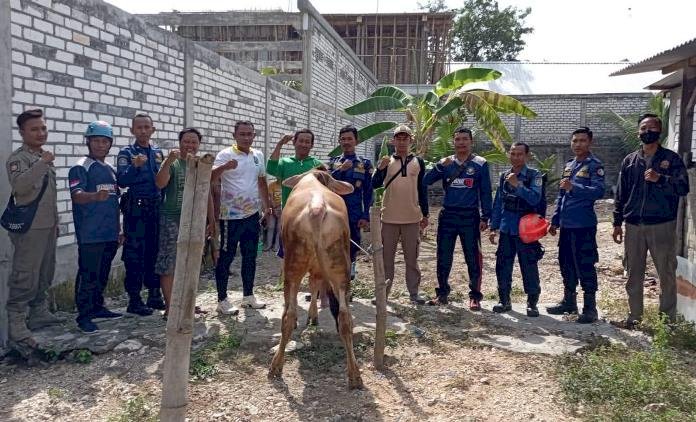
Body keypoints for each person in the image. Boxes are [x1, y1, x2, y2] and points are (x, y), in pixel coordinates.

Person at [612, 114, 689, 327]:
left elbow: (683, 187)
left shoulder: (671, 160)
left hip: (662, 225)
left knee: (666, 274)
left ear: (660, 131)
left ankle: (667, 322)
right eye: (644, 128)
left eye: (653, 128)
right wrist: (617, 222)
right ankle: (634, 317)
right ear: (638, 132)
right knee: (633, 274)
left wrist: (661, 179)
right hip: (634, 225)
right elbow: (621, 193)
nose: (648, 131)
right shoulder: (630, 161)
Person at [5, 109, 63, 347]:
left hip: (47, 226)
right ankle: (17, 322)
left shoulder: (42, 156)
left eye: (43, 128)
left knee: (45, 271)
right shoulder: (19, 159)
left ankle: (39, 312)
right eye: (34, 129)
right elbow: (20, 187)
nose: (41, 133)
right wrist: (42, 163)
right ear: (22, 132)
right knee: (25, 273)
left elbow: (49, 194)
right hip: (29, 228)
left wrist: (56, 221)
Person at [423, 127, 492, 310]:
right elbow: (425, 181)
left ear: (471, 142)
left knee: (473, 257)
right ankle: (442, 293)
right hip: (448, 215)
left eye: (464, 139)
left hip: (470, 217)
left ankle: (475, 296)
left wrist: (485, 216)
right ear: (453, 142)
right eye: (458, 139)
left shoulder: (480, 163)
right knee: (443, 256)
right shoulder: (446, 163)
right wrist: (439, 166)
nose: (461, 142)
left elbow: (485, 192)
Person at [154, 128, 215, 317]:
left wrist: (211, 220)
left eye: (194, 142)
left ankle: (188, 304)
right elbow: (160, 183)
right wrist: (167, 162)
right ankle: (171, 307)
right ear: (180, 142)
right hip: (172, 218)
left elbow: (207, 194)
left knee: (192, 263)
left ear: (199, 144)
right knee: (170, 263)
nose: (190, 145)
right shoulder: (173, 163)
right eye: (186, 141)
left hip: (195, 220)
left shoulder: (200, 165)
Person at [212, 121, 271, 315]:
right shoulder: (225, 155)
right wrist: (225, 167)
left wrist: (267, 206)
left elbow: (262, 181)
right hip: (230, 216)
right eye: (242, 134)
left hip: (252, 215)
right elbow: (211, 177)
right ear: (234, 135)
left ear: (254, 135)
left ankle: (248, 297)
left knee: (250, 256)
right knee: (226, 257)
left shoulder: (258, 155)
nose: (246, 137)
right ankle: (222, 300)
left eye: (250, 134)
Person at [69, 121, 123, 333]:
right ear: (88, 142)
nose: (100, 145)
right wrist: (94, 196)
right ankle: (84, 316)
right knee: (88, 274)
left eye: (105, 141)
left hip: (109, 232)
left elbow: (115, 202)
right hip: (90, 233)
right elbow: (76, 195)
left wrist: (118, 229)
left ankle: (98, 307)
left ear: (110, 144)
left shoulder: (110, 169)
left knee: (102, 273)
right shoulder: (81, 166)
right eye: (96, 141)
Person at [547, 127, 605, 323]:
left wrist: (574, 186)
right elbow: (561, 196)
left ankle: (590, 308)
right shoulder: (570, 165)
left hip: (583, 225)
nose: (578, 144)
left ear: (590, 143)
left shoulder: (594, 165)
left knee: (585, 264)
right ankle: (569, 302)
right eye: (575, 141)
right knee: (566, 263)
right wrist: (555, 220)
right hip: (567, 225)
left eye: (582, 140)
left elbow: (598, 191)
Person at [372, 124, 429, 305]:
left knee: (411, 259)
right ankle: (383, 294)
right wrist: (380, 169)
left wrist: (425, 214)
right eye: (399, 138)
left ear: (411, 140)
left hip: (412, 218)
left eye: (406, 138)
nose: (402, 142)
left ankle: (413, 293)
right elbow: (374, 185)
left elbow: (422, 189)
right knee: (386, 259)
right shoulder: (386, 161)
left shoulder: (418, 162)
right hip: (388, 218)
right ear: (393, 141)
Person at [117, 113, 165, 316]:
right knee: (135, 254)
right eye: (139, 128)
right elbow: (122, 181)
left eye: (147, 127)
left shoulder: (158, 153)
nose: (143, 131)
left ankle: (154, 295)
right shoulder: (126, 153)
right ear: (132, 131)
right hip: (136, 210)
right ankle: (134, 299)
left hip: (156, 208)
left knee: (155, 251)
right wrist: (134, 167)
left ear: (153, 130)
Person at [489, 142, 544, 317]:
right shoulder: (505, 175)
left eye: (519, 154)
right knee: (503, 265)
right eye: (512, 154)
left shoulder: (534, 175)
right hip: (507, 227)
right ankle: (504, 300)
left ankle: (532, 303)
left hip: (526, 229)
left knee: (528, 265)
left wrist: (518, 185)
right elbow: (498, 202)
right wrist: (494, 226)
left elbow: (535, 198)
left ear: (527, 156)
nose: (515, 157)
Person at [327, 125, 374, 280]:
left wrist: (365, 215)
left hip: (353, 213)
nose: (346, 142)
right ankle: (328, 285)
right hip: (333, 213)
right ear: (339, 141)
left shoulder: (364, 164)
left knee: (352, 246)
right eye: (343, 139)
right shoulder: (333, 163)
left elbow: (368, 192)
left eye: (349, 139)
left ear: (356, 141)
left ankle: (348, 282)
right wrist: (340, 169)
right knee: (331, 246)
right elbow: (325, 183)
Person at [263, 179, 282, 252]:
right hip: (272, 208)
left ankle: (276, 246)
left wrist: (280, 208)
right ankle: (269, 245)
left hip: (282, 208)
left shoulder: (285, 185)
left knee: (279, 228)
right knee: (271, 226)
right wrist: (274, 208)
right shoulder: (272, 185)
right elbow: (270, 198)